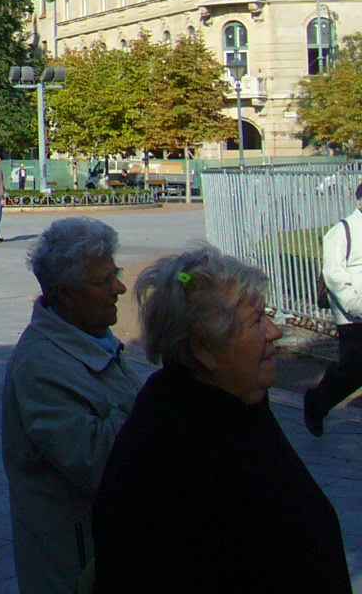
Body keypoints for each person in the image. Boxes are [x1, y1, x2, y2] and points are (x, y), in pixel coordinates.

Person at [92, 245, 348, 593]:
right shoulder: (174, 451)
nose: (274, 332)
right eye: (257, 320)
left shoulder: (237, 402)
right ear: (203, 348)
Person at [2, 218, 139, 594]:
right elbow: (100, 462)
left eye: (117, 274)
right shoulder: (42, 366)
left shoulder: (92, 338)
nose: (119, 288)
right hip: (74, 561)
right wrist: (165, 399)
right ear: (66, 293)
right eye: (103, 281)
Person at [306, 181, 362, 435]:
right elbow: (334, 275)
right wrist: (355, 304)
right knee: (353, 371)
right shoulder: (342, 231)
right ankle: (317, 402)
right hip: (352, 313)